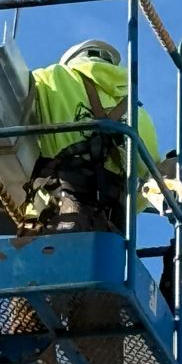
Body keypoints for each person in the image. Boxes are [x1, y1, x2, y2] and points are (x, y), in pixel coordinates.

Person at [23, 38, 160, 234]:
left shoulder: (51, 77)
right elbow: (144, 187)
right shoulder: (140, 115)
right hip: (112, 227)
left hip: (62, 218)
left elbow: (4, 119)